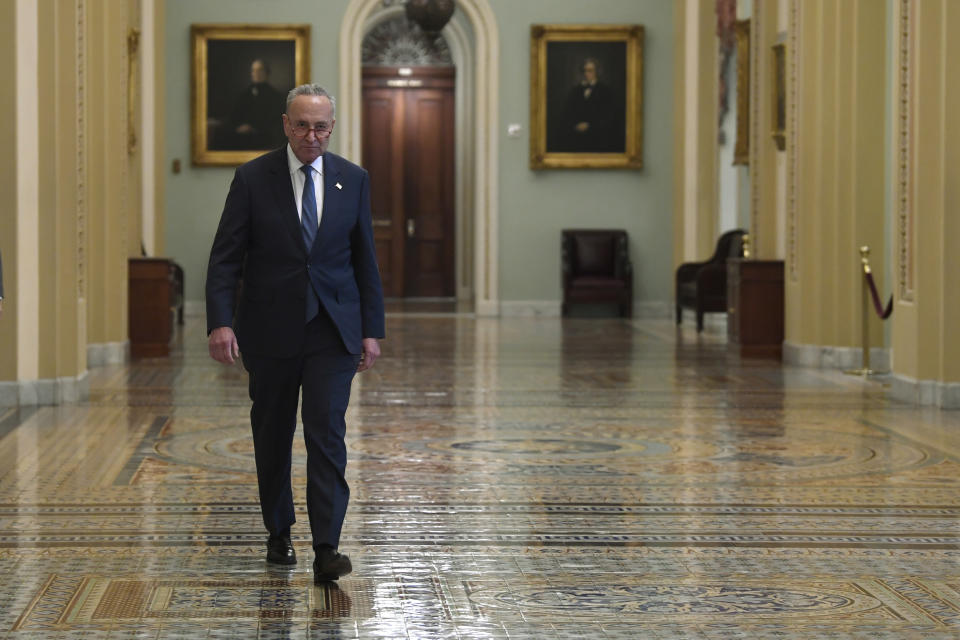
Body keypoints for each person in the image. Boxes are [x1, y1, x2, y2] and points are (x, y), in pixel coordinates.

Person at [205, 84, 385, 584]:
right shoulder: (252, 178)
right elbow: (225, 258)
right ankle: (279, 531)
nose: (312, 135)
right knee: (273, 434)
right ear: (286, 124)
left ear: (332, 126)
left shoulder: (353, 179)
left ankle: (328, 546)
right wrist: (221, 321)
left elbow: (364, 260)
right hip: (269, 329)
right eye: (302, 125)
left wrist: (371, 330)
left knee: (327, 435)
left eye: (321, 126)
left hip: (332, 329)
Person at [556, 58, 624, 153]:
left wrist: (590, 126)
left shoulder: (605, 91)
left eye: (590, 70)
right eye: (584, 70)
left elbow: (609, 116)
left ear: (597, 72)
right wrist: (575, 125)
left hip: (598, 139)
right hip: (576, 138)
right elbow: (567, 113)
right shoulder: (575, 90)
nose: (586, 73)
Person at [217, 59, 286, 150]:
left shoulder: (276, 96)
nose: (256, 73)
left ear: (267, 73)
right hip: (241, 134)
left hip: (263, 135)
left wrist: (253, 128)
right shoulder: (244, 94)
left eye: (260, 70)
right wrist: (238, 127)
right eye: (254, 70)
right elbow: (234, 116)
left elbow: (276, 121)